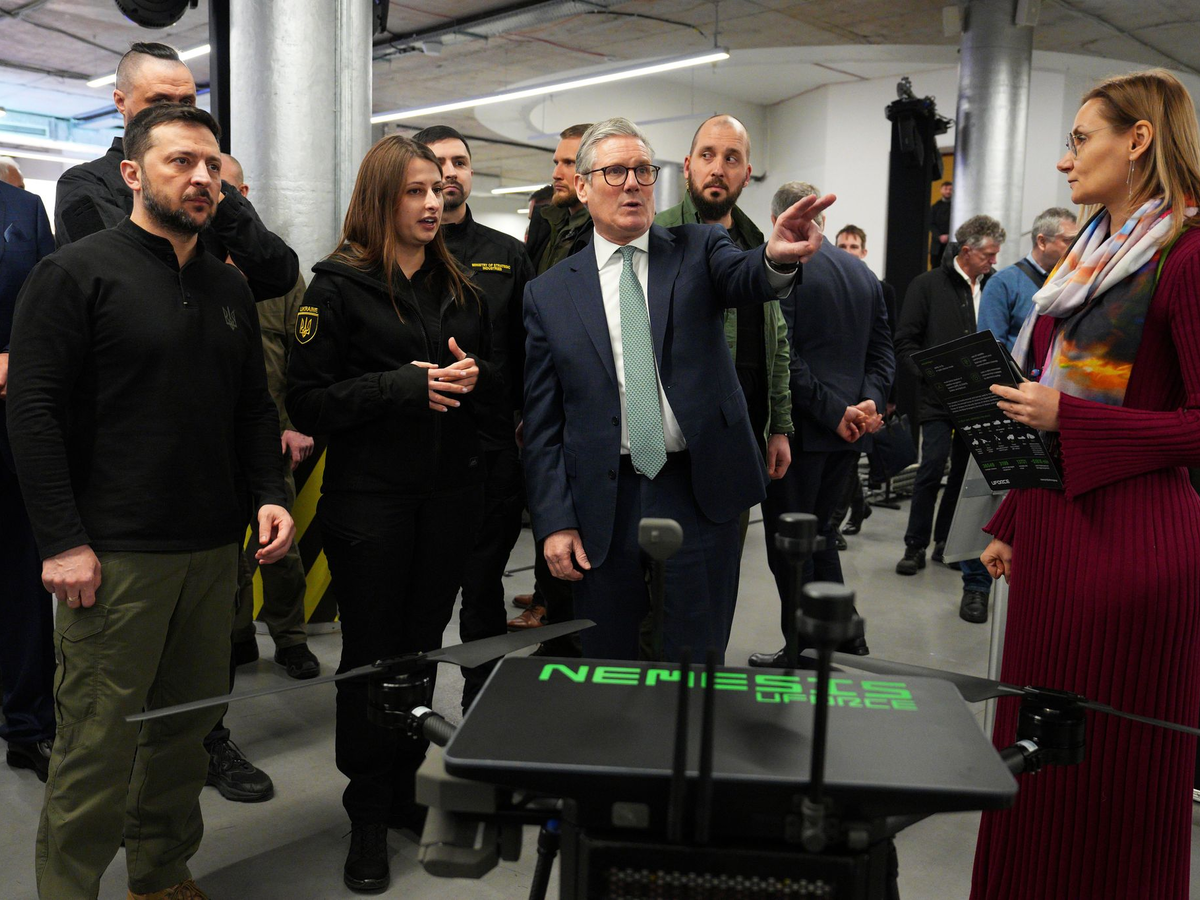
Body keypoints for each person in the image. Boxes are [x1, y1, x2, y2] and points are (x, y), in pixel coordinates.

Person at [6, 103, 293, 900]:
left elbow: (252, 408)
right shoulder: (75, 274)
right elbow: (32, 412)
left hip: (213, 552)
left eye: (211, 165)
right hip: (116, 557)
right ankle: (69, 888)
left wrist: (269, 495)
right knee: (95, 745)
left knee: (185, 732)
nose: (202, 178)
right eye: (180, 162)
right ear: (133, 173)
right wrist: (62, 542)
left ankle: (160, 872)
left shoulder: (227, 286)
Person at [973, 69, 1200, 900]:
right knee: (1032, 771)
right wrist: (1013, 518)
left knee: (1107, 782)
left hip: (1133, 557)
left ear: (1137, 139)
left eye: (1080, 139)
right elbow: (1050, 392)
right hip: (1057, 542)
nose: (1065, 160)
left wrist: (1070, 421)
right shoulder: (1089, 256)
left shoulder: (1188, 256)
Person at [522, 117, 832, 662]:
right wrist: (554, 521)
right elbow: (544, 424)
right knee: (609, 658)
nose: (632, 183)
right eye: (615, 172)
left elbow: (745, 276)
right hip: (604, 495)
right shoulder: (549, 294)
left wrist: (775, 258)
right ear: (583, 187)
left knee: (697, 654)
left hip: (697, 486)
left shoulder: (698, 247)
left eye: (643, 170)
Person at [287, 136, 493, 893]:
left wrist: (474, 376)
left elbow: (487, 380)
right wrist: (396, 387)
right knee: (373, 657)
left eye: (438, 188)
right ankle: (368, 810)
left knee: (420, 650)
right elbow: (306, 402)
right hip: (370, 503)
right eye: (415, 190)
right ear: (380, 198)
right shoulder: (336, 288)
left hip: (448, 498)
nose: (434, 202)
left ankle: (405, 787)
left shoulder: (457, 286)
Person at [413, 125, 534, 712]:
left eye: (460, 162)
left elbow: (531, 356)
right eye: (437, 163)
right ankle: (410, 713)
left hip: (490, 449)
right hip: (418, 451)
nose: (450, 173)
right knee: (420, 596)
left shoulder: (507, 256)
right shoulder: (398, 253)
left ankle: (480, 709)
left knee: (483, 589)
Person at [748, 184, 893, 668]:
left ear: (778, 219)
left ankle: (802, 650)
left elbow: (783, 357)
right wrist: (867, 404)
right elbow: (882, 352)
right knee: (822, 538)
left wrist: (835, 412)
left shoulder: (787, 269)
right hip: (848, 436)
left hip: (801, 434)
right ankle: (844, 633)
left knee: (792, 548)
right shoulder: (862, 273)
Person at [53, 42, 298, 302]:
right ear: (121, 101)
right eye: (159, 101)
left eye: (187, 101)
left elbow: (279, 275)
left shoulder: (214, 187)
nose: (175, 112)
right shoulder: (86, 183)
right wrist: (225, 277)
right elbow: (114, 275)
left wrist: (222, 204)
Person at [655, 113, 793, 494]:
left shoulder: (756, 244)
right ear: (688, 167)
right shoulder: (657, 237)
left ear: (746, 175)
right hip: (673, 446)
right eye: (707, 155)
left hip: (742, 438)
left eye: (731, 158)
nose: (718, 169)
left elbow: (776, 343)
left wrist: (780, 427)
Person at [220, 153, 319, 682]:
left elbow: (304, 356)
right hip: (210, 439)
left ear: (242, 195)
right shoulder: (189, 267)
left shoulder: (278, 272)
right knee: (222, 551)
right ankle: (235, 635)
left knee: (278, 547)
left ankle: (291, 638)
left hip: (270, 433)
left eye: (225, 186)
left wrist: (293, 423)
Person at [894, 214, 1005, 624]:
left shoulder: (994, 286)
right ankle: (914, 546)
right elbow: (905, 341)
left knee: (963, 477)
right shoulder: (926, 285)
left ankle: (946, 544)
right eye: (988, 254)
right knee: (931, 469)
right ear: (967, 251)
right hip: (938, 399)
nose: (993, 261)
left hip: (980, 400)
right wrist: (932, 375)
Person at [509, 123, 594, 648]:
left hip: (576, 400)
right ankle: (547, 596)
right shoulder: (553, 224)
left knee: (573, 513)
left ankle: (558, 616)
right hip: (542, 389)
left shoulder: (593, 234)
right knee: (549, 503)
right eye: (556, 161)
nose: (557, 171)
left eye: (567, 163)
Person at [0, 169, 55, 783]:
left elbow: (52, 308)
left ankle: (29, 723)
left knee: (23, 583)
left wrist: (20, 354)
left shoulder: (24, 209)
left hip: (13, 429)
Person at [831, 223, 898, 540]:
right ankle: (856, 508)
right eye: (842, 246)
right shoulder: (827, 284)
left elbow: (887, 344)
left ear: (865, 251)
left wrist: (887, 396)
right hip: (837, 388)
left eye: (853, 247)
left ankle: (834, 523)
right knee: (845, 456)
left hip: (866, 390)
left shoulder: (880, 289)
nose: (847, 252)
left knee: (850, 454)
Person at [978, 207, 1078, 350]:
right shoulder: (1002, 283)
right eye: (1068, 241)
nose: (1075, 247)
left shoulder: (1073, 280)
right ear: (1042, 242)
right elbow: (990, 348)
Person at [930, 180, 952, 267]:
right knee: (935, 267)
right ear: (941, 190)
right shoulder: (935, 207)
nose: (948, 191)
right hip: (937, 245)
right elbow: (931, 224)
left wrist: (949, 235)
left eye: (950, 189)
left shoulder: (957, 206)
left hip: (952, 243)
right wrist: (939, 236)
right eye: (945, 189)